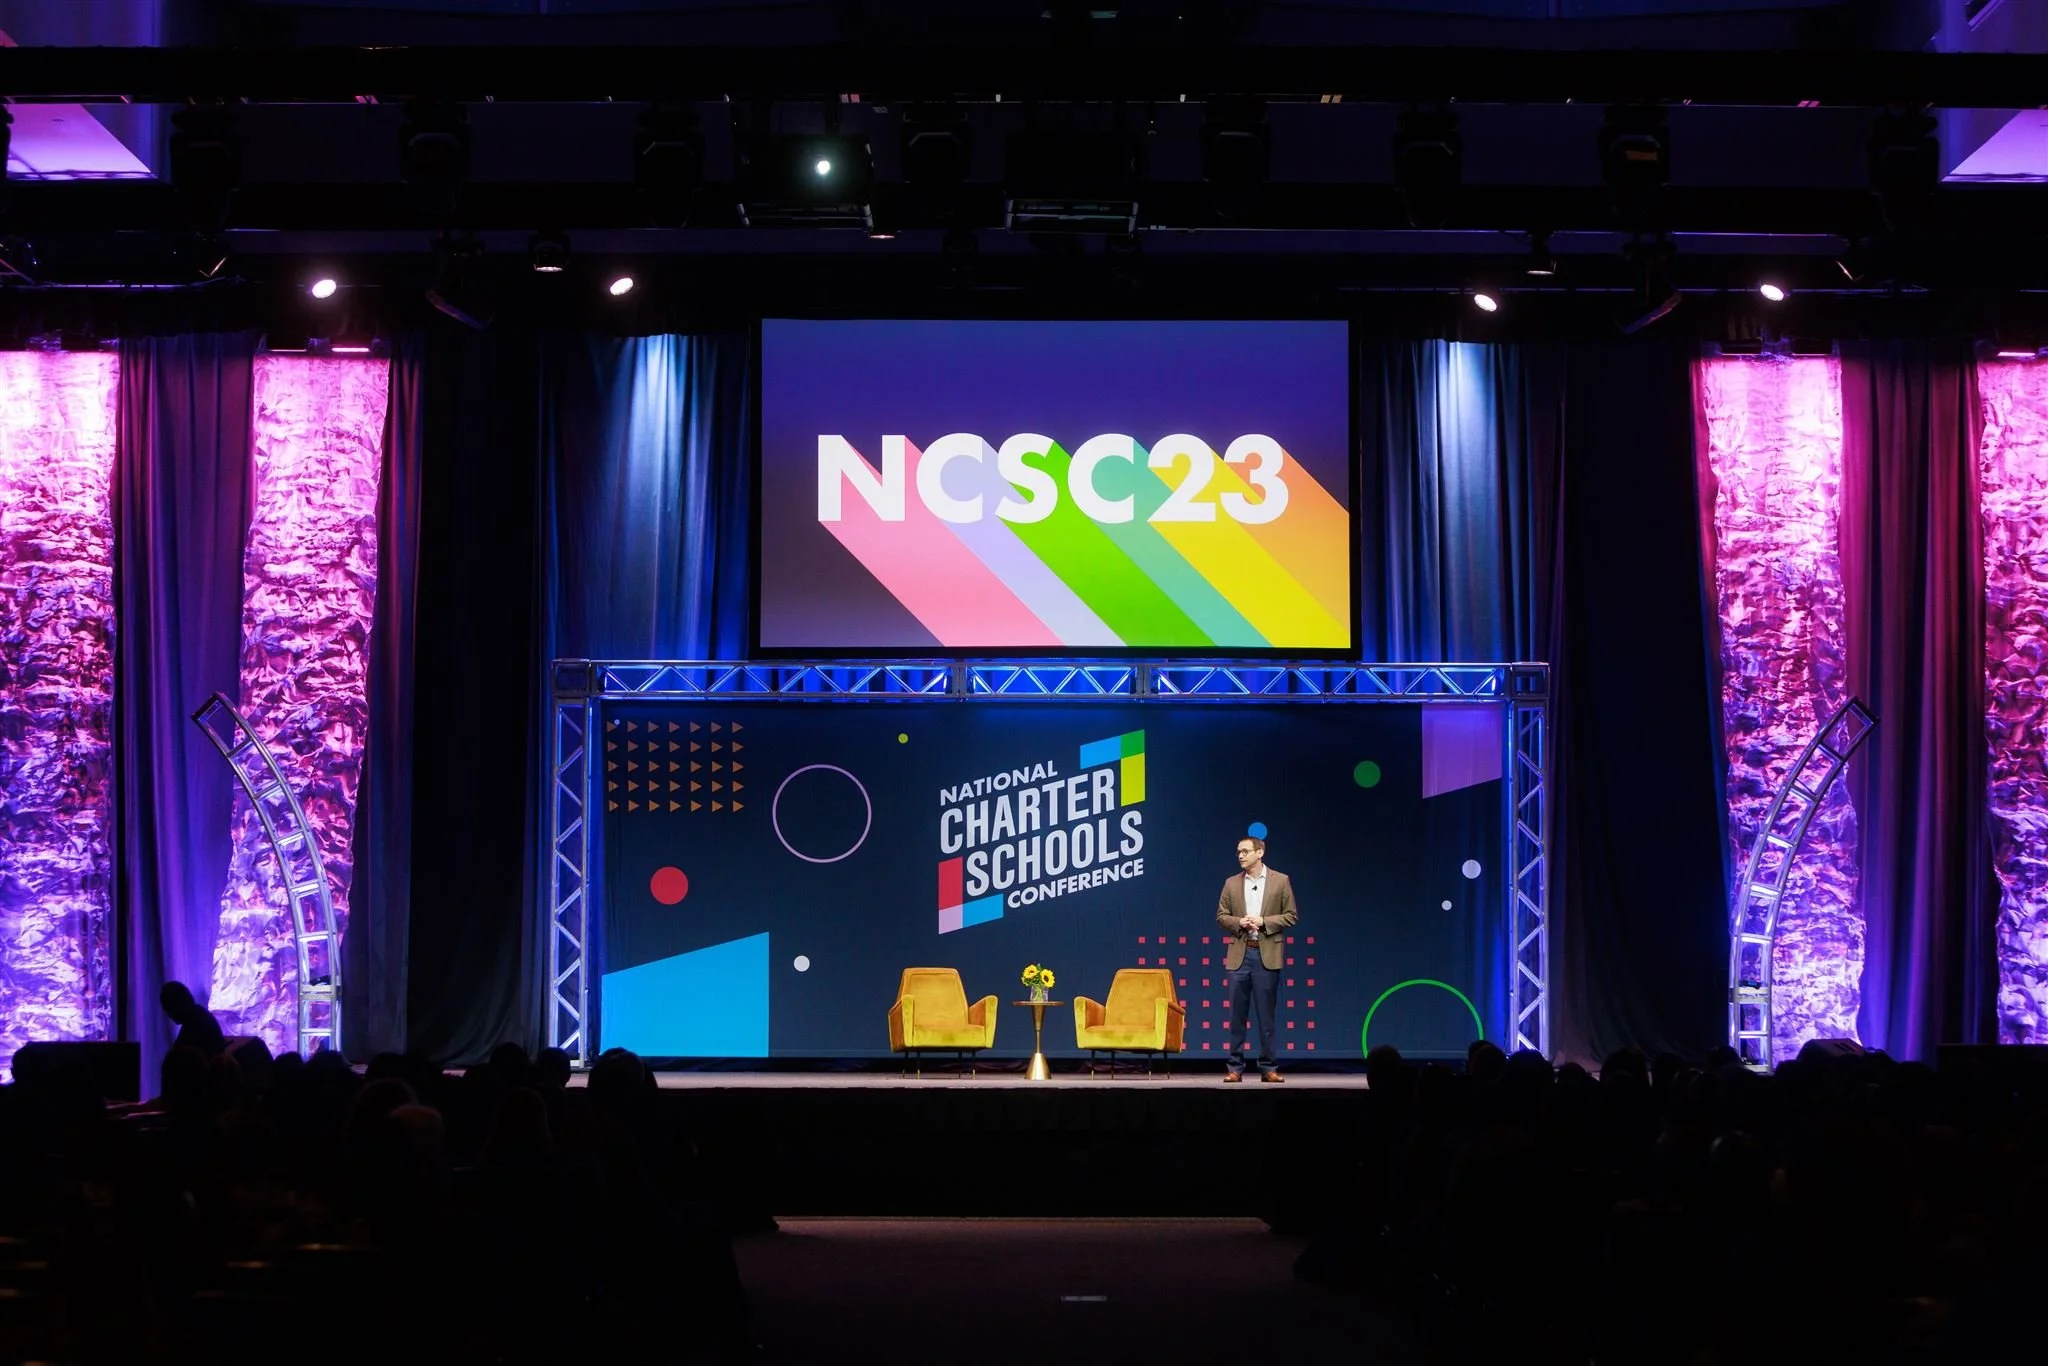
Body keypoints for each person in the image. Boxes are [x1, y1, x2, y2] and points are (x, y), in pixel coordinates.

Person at [1215, 835, 1298, 1083]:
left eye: (1245, 851)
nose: (1240, 855)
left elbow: (1291, 916)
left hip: (1266, 955)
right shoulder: (1231, 883)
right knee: (1236, 1017)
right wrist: (1238, 922)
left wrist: (1265, 922)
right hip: (1240, 954)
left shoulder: (1280, 881)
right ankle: (1235, 1068)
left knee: (1266, 1017)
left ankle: (1268, 1067)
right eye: (1238, 852)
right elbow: (1221, 916)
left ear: (1260, 853)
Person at [159, 979, 225, 1058]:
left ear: (176, 1005)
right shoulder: (199, 1017)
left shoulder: (196, 1025)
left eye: (168, 1008)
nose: (168, 1015)